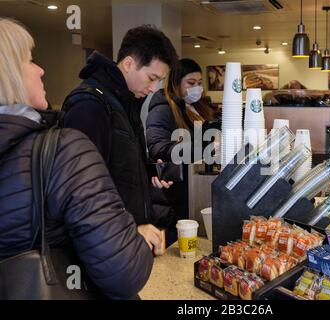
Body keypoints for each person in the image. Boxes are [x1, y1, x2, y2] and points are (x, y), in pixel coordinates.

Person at [0, 18, 152, 299]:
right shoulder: (63, 148)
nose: (41, 69)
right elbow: (125, 271)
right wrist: (133, 235)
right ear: (8, 75)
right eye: (30, 61)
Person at [62, 25, 179, 247]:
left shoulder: (126, 103)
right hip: (106, 246)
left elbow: (118, 163)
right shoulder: (89, 106)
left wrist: (147, 170)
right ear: (128, 64)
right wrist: (127, 231)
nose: (154, 88)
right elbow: (83, 191)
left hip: (126, 243)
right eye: (151, 78)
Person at [146, 58, 218, 244]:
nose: (197, 88)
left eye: (200, 83)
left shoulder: (198, 107)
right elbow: (158, 148)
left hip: (195, 186)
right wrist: (201, 148)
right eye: (191, 83)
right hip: (174, 193)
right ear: (176, 82)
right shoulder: (163, 108)